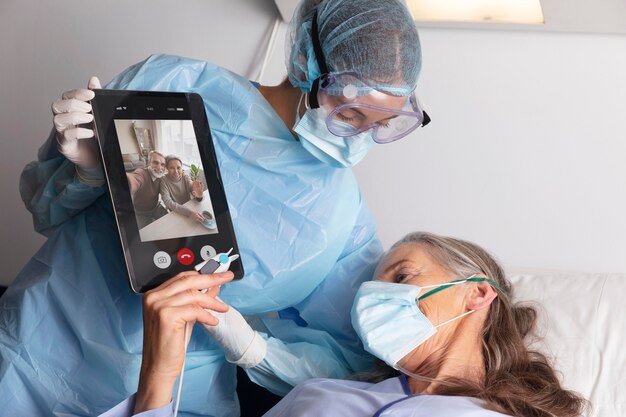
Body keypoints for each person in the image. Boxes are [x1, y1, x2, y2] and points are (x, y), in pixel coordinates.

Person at [0, 0, 429, 416]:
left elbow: (350, 362)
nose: (359, 138)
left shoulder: (341, 216)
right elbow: (45, 211)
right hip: (38, 351)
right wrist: (89, 173)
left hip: (181, 395)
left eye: (383, 124)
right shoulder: (172, 84)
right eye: (351, 114)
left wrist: (250, 346)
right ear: (306, 62)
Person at [101, 232, 589, 417]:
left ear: (478, 293)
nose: (377, 303)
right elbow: (264, 357)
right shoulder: (343, 387)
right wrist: (161, 372)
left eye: (402, 276)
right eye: (368, 296)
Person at [127, 150, 169, 228]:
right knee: (149, 234)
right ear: (149, 162)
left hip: (156, 207)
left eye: (162, 164)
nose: (159, 167)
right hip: (140, 212)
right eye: (155, 162)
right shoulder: (142, 173)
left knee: (169, 223)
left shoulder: (161, 177)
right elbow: (134, 179)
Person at [159, 155, 205, 223]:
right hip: (176, 212)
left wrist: (199, 196)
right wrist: (189, 213)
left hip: (189, 207)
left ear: (181, 168)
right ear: (167, 168)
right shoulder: (163, 181)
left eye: (178, 167)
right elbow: (168, 202)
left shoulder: (185, 177)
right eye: (171, 168)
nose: (176, 171)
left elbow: (195, 191)